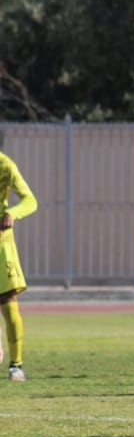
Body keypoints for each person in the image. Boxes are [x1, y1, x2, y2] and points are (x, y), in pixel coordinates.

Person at [0, 151, 38, 381]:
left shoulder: (5, 165)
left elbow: (30, 200)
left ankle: (16, 366)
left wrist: (12, 213)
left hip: (1, 243)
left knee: (8, 302)